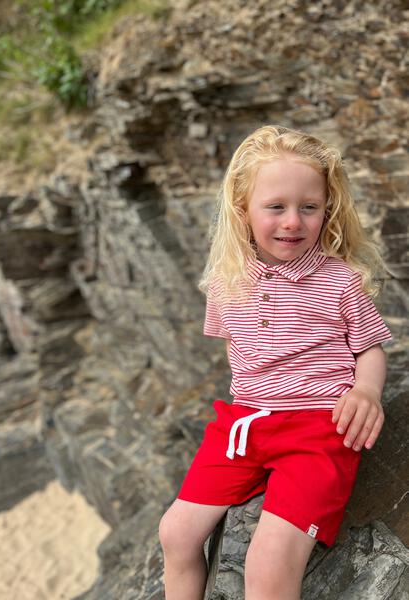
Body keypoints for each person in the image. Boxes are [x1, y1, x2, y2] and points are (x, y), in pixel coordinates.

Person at [158, 125, 392, 600]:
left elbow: (369, 347)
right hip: (244, 425)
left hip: (318, 429)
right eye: (276, 207)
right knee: (176, 533)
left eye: (308, 207)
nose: (293, 221)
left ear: (327, 210)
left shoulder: (339, 280)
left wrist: (366, 391)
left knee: (266, 562)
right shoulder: (228, 281)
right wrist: (255, 393)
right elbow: (237, 348)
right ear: (243, 210)